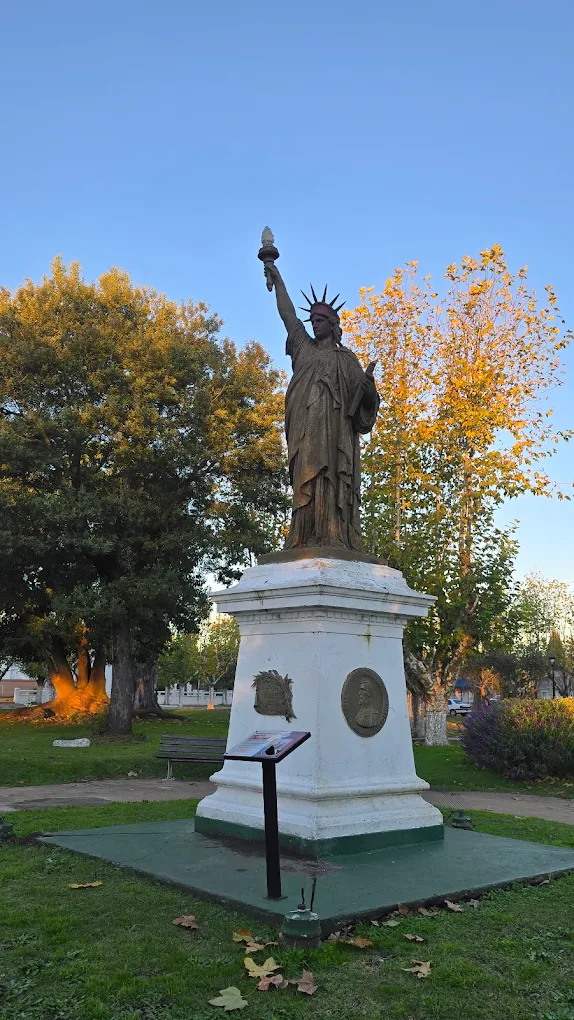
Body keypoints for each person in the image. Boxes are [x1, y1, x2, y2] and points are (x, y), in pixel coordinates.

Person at [264, 262, 379, 552]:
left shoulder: (347, 361)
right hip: (305, 431)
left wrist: (368, 390)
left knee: (331, 480)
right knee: (306, 480)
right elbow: (287, 315)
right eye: (312, 319)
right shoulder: (303, 347)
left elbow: (365, 410)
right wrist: (277, 278)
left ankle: (334, 536)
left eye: (320, 319)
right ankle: (304, 536)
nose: (314, 323)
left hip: (335, 435)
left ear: (333, 325)